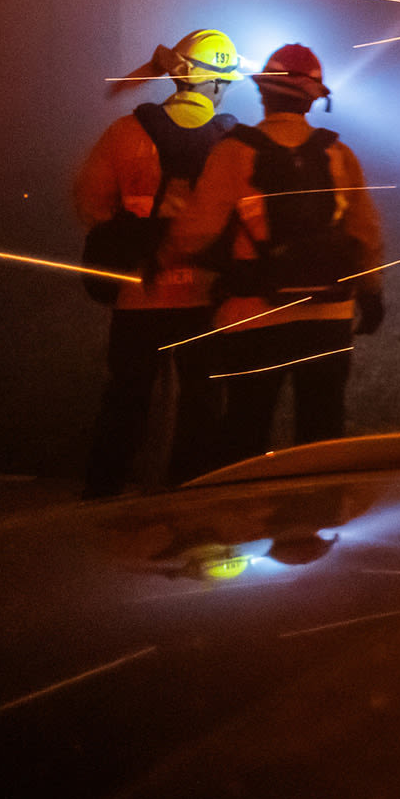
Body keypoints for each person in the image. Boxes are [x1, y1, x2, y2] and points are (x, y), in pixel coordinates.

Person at [163, 43, 385, 468]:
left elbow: (195, 232)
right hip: (329, 315)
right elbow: (364, 233)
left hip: (254, 317)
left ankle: (249, 507)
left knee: (246, 432)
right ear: (312, 100)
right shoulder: (338, 153)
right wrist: (371, 293)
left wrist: (167, 258)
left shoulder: (234, 151)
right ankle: (319, 508)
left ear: (263, 93)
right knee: (322, 436)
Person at [73, 27, 247, 497]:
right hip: (204, 301)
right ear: (214, 82)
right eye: (226, 80)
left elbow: (89, 204)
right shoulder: (231, 143)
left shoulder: (126, 132)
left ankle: (102, 500)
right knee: (202, 406)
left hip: (138, 298)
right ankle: (187, 502)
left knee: (125, 402)